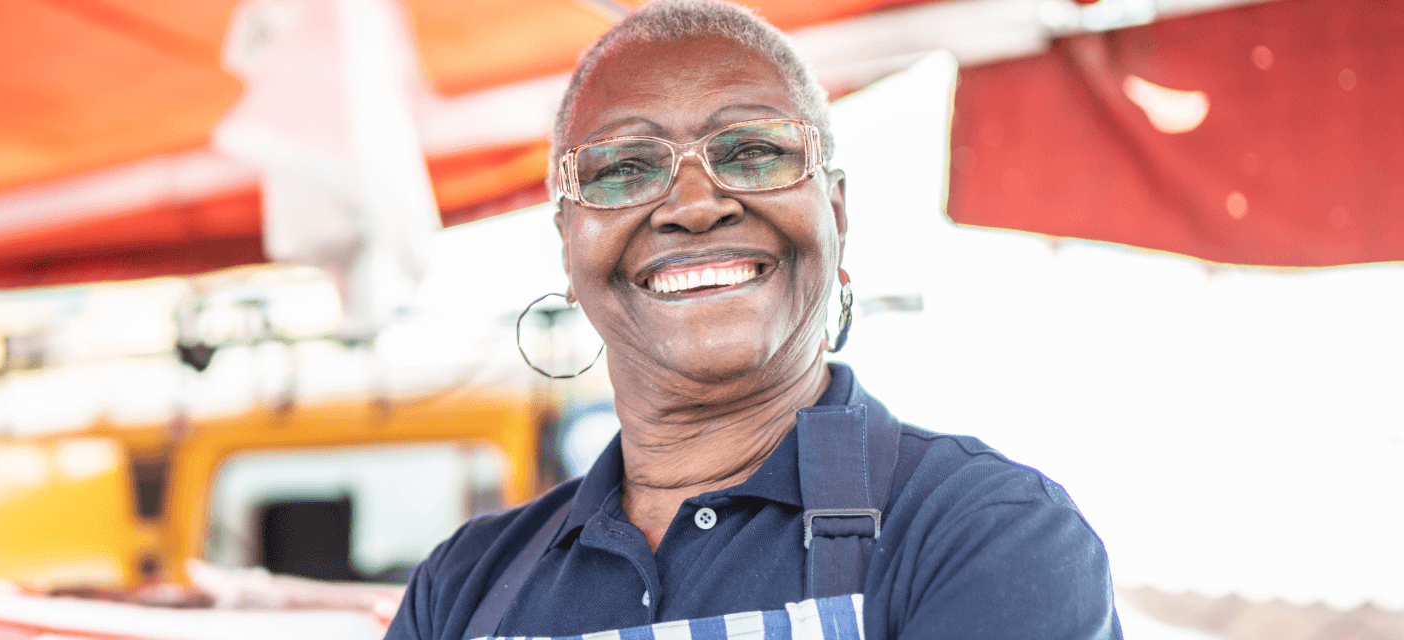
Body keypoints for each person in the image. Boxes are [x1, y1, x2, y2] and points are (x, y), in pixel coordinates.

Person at [383, 1, 1120, 639]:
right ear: (568, 247)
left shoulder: (987, 532)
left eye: (754, 153)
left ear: (835, 216)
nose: (696, 204)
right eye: (625, 169)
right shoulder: (461, 587)